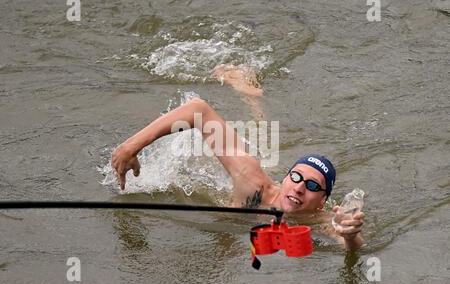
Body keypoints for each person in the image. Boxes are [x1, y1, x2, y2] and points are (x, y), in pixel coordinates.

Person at [111, 96, 365, 250]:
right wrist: (131, 146)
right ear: (285, 179)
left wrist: (351, 236)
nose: (299, 188)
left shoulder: (319, 221)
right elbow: (197, 110)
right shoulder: (252, 183)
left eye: (312, 186)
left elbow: (349, 247)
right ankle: (248, 90)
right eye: (296, 177)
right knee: (259, 130)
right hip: (244, 194)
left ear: (323, 202)